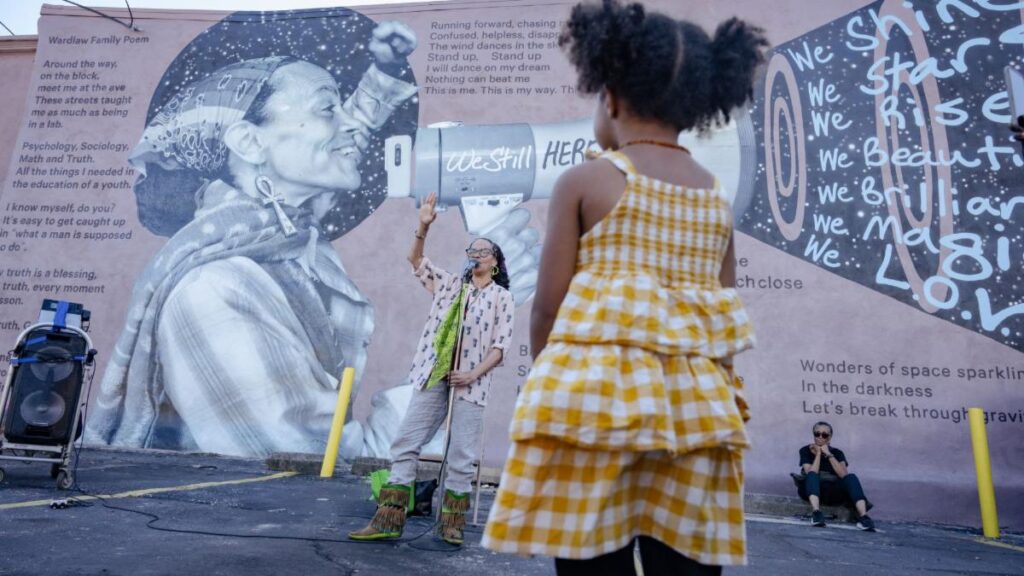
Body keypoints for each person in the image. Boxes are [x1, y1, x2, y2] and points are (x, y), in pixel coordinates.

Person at [482, 1, 766, 574]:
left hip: (595, 406)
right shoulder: (714, 196)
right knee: (684, 560)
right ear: (695, 106)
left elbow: (549, 307)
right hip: (692, 414)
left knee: (591, 558)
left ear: (608, 97)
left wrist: (546, 373)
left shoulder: (586, 181)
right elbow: (722, 317)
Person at [86, 22, 419, 457]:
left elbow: (349, 133)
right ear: (248, 140)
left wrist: (384, 68)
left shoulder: (281, 233)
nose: (349, 126)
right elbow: (317, 462)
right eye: (326, 109)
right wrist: (456, 362)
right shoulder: (215, 292)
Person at [349, 191, 515, 546]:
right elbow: (416, 260)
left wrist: (472, 373)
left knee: (461, 456)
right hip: (433, 372)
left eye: (484, 250)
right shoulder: (452, 285)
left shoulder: (502, 298)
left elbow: (500, 348)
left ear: (496, 261)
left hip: (471, 382)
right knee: (406, 442)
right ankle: (389, 518)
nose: (476, 253)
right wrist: (423, 224)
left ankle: (451, 525)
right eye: (473, 250)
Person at [796, 421, 876, 531]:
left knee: (851, 477)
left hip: (833, 492)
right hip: (811, 489)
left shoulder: (837, 453)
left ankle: (864, 517)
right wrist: (819, 454)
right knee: (812, 476)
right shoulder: (805, 450)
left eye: (824, 435)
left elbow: (844, 475)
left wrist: (828, 454)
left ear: (829, 437)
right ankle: (817, 514)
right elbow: (810, 472)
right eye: (817, 434)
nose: (820, 437)